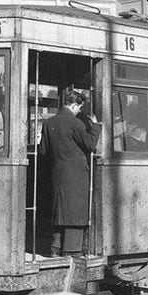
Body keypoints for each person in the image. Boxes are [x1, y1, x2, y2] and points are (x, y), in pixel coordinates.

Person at [39, 91, 102, 257]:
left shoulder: (48, 123)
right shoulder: (75, 123)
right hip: (76, 175)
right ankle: (71, 250)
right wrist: (95, 126)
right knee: (75, 212)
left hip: (57, 173)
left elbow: (43, 150)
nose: (78, 112)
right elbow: (89, 144)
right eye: (78, 108)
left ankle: (55, 248)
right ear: (73, 105)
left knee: (60, 210)